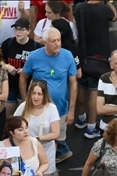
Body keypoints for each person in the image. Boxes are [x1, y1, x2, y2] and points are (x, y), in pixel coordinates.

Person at [19, 28, 76, 164]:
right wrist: (25, 101)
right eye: (53, 41)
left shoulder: (68, 56)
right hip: (38, 109)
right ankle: (49, 169)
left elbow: (73, 83)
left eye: (59, 40)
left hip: (61, 108)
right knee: (40, 138)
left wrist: (72, 110)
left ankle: (52, 164)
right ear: (44, 42)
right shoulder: (34, 56)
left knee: (57, 138)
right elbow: (23, 77)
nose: (57, 44)